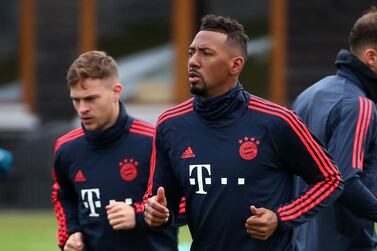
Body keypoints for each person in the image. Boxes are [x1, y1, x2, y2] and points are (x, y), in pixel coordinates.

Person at [143, 14, 343, 251]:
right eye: (191, 52)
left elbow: (331, 179)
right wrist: (155, 211)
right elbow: (160, 203)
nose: (193, 61)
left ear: (235, 65)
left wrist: (280, 217)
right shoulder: (170, 124)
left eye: (206, 54)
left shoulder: (277, 121)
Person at [51, 51, 179, 251]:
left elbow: (184, 202)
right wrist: (70, 234)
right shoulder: (66, 148)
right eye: (76, 100)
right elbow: (62, 195)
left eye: (91, 98)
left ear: (116, 91)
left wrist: (138, 216)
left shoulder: (153, 141)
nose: (82, 108)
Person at [292, 7, 377, 251]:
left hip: (301, 243)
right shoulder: (359, 105)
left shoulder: (309, 94)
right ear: (371, 57)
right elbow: (346, 181)